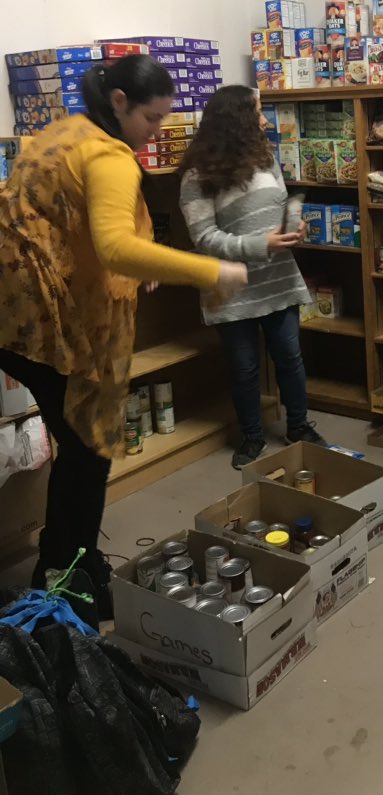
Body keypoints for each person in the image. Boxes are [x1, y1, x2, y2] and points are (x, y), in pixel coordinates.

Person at [0, 55, 247, 615]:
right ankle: (65, 582)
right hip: (47, 321)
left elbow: (79, 220)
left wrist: (140, 254)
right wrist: (212, 270)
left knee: (84, 446)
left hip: (15, 310)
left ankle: (65, 564)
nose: (155, 132)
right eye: (152, 120)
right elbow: (112, 245)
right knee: (91, 445)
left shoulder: (64, 130)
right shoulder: (110, 154)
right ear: (119, 104)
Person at [179, 85, 327, 470]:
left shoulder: (266, 158)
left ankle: (298, 426)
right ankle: (252, 437)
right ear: (236, 121)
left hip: (277, 278)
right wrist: (260, 244)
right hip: (233, 286)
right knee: (245, 368)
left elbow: (278, 208)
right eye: (258, 112)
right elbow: (205, 238)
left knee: (290, 358)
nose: (265, 120)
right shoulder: (197, 176)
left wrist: (294, 227)